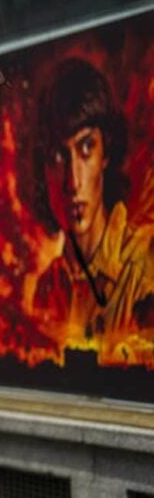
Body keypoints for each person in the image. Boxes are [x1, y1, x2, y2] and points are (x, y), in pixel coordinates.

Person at [29, 57, 154, 365]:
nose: (73, 181)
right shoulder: (48, 288)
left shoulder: (144, 265)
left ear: (106, 153)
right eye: (59, 156)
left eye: (86, 149)